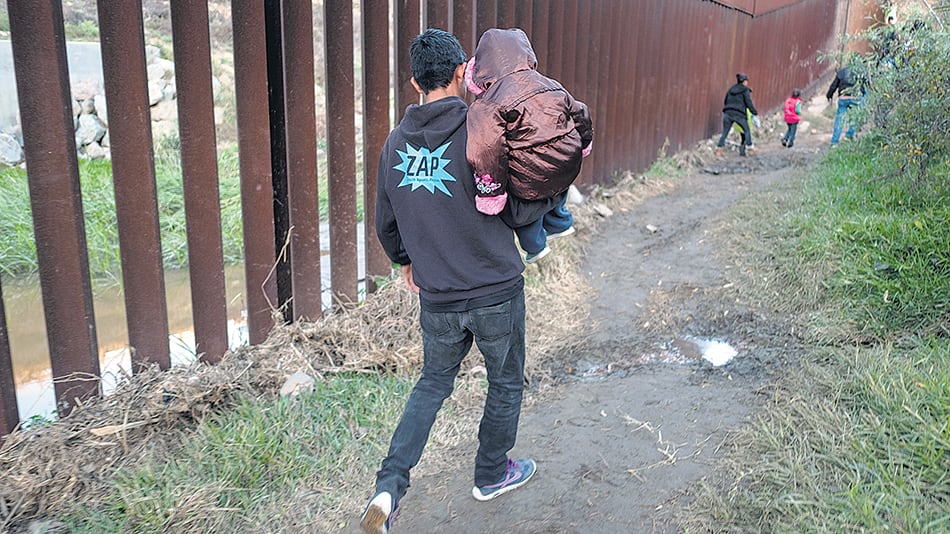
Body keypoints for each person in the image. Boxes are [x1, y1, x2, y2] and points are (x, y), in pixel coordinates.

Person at [361, 28, 538, 534]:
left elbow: (386, 222)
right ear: (464, 72)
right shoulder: (484, 129)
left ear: (414, 81)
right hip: (495, 290)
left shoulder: (394, 143)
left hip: (437, 296)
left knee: (433, 382)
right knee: (504, 381)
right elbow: (516, 200)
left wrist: (405, 261)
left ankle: (388, 487)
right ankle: (490, 473)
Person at [465, 27, 593, 263]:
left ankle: (534, 245)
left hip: (530, 179)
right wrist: (583, 144)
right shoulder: (551, 84)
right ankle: (560, 222)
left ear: (480, 71)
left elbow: (486, 150)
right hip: (567, 165)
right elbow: (581, 112)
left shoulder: (488, 104)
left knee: (523, 198)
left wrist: (491, 194)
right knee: (553, 180)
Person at [715, 73, 760, 157]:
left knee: (725, 132)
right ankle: (750, 148)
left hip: (728, 113)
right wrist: (755, 113)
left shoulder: (731, 89)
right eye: (746, 81)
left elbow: (725, 101)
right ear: (744, 82)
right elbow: (748, 103)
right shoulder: (745, 90)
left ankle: (719, 149)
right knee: (746, 130)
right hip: (739, 114)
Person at [826, 61, 863, 146]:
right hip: (855, 98)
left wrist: (829, 95)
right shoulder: (859, 72)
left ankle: (834, 142)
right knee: (854, 118)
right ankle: (849, 136)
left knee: (839, 120)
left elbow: (833, 86)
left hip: (843, 98)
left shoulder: (841, 72)